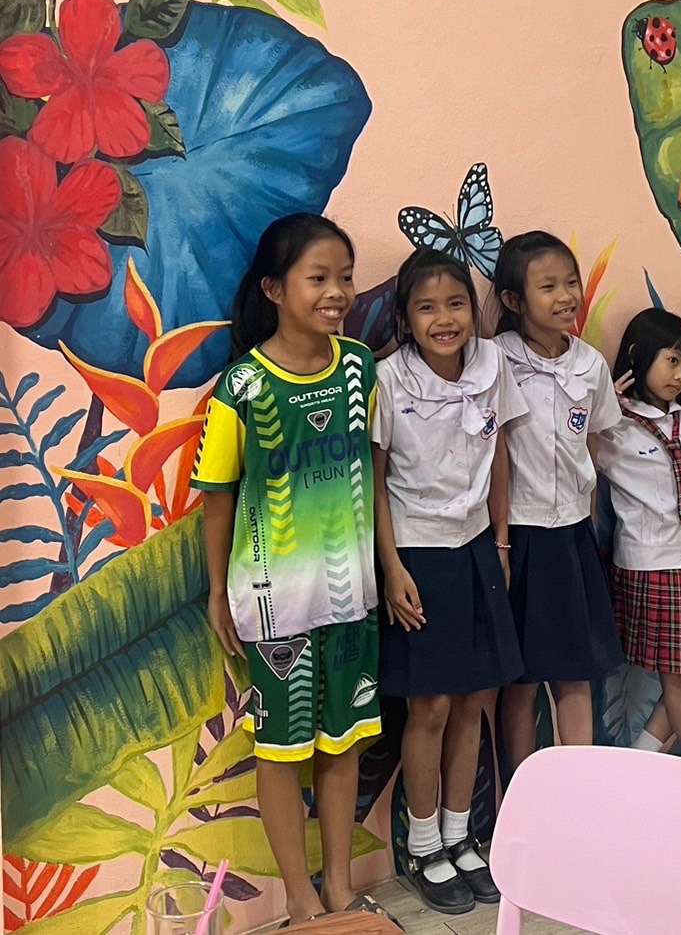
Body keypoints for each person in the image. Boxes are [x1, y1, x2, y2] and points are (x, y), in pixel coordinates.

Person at [193, 214, 396, 927]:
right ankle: (301, 899)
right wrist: (216, 591)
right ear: (275, 289)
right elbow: (217, 497)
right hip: (274, 604)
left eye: (345, 276)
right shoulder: (242, 386)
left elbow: (374, 473)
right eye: (319, 277)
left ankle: (337, 885)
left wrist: (387, 566)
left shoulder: (360, 368)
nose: (338, 291)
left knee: (343, 744)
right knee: (281, 752)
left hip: (352, 598)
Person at [372, 249, 526, 915]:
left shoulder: (492, 365)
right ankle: (424, 846)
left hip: (477, 549)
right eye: (427, 307)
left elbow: (499, 456)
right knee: (430, 707)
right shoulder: (388, 379)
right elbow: (375, 481)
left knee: (473, 700)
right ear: (406, 318)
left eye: (456, 303)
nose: (445, 318)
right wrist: (392, 567)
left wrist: (501, 543)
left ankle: (463, 838)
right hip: (418, 554)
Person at [493, 232, 624, 772]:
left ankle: (579, 790)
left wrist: (584, 518)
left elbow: (593, 441)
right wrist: (502, 543)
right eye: (548, 286)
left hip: (571, 536)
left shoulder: (590, 365)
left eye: (571, 282)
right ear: (513, 300)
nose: (566, 295)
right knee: (521, 679)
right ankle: (523, 796)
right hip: (518, 535)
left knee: (575, 672)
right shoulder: (495, 360)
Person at [597, 309, 681, 772]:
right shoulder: (614, 421)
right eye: (671, 361)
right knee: (677, 684)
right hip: (649, 563)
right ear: (638, 357)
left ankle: (641, 756)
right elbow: (575, 466)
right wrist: (598, 413)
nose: (679, 375)